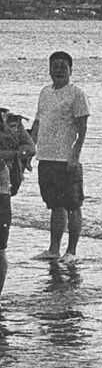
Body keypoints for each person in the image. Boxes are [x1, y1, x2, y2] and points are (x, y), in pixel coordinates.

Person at [30, 51, 90, 264]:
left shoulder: (77, 93)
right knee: (55, 205)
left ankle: (71, 251)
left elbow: (82, 129)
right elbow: (38, 123)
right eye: (54, 66)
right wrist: (29, 149)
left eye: (63, 66)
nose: (58, 70)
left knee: (73, 205)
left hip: (66, 159)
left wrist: (75, 156)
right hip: (45, 157)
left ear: (71, 69)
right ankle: (53, 250)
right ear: (49, 69)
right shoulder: (45, 92)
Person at [0, 108, 36, 298]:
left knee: (0, 250)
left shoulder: (10, 121)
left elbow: (31, 148)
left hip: (3, 191)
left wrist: (11, 155)